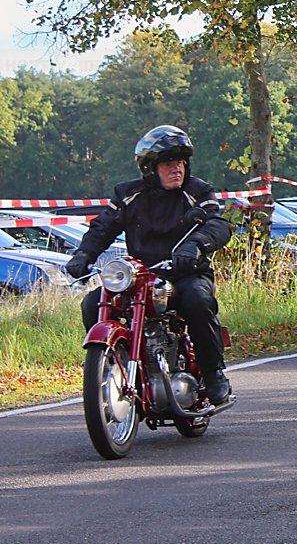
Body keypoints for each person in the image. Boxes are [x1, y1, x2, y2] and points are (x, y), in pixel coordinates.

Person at [65, 125, 236, 405]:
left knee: (197, 300)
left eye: (180, 163)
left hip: (186, 272)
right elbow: (103, 227)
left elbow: (218, 224)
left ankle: (214, 372)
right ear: (150, 168)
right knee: (92, 303)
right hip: (140, 276)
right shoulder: (128, 194)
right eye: (169, 164)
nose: (176, 169)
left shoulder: (198, 190)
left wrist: (197, 244)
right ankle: (114, 365)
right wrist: (83, 255)